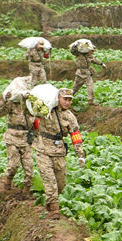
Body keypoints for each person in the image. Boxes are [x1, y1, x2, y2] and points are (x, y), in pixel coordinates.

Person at [33, 88, 85, 220]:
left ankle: (50, 202)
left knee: (61, 184)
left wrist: (80, 154)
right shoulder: (46, 110)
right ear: (58, 98)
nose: (67, 102)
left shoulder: (70, 117)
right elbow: (30, 112)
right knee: (50, 181)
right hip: (43, 149)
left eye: (69, 100)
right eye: (65, 99)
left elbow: (75, 135)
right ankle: (55, 210)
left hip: (59, 151)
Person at [0, 86, 35, 198]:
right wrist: (5, 100)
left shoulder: (32, 105)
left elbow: (38, 121)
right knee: (13, 165)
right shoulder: (12, 104)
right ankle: (7, 182)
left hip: (26, 138)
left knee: (29, 169)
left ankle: (26, 193)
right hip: (12, 136)